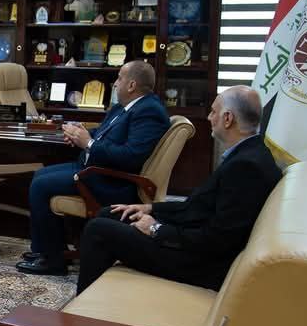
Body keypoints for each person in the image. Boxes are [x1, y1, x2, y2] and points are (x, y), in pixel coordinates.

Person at [75, 86, 280, 294]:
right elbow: (196, 208)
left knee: (98, 230)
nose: (209, 117)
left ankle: (83, 310)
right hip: (194, 239)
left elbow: (218, 239)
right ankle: (103, 295)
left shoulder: (247, 167)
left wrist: (156, 229)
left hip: (199, 263)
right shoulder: (249, 153)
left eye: (213, 112)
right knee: (111, 213)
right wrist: (149, 208)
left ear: (228, 119)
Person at [16, 60, 170, 276]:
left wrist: (88, 143)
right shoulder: (125, 107)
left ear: (132, 85)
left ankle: (53, 261)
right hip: (95, 168)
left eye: (119, 78)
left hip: (113, 180)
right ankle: (50, 249)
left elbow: (130, 157)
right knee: (40, 174)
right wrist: (79, 134)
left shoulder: (149, 111)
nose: (115, 83)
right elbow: (104, 132)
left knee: (41, 185)